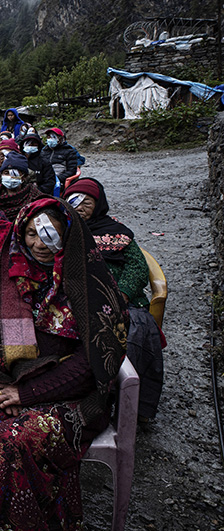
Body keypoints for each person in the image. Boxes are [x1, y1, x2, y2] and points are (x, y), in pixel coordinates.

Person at [0, 198, 129, 531]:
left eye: (50, 235)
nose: (39, 245)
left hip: (69, 393)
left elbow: (95, 359)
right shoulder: (6, 274)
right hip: (2, 379)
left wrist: (27, 393)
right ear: (20, 235)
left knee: (18, 441)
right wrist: (2, 381)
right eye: (31, 235)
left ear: (68, 235)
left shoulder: (90, 283)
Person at [65, 177, 164, 419]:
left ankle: (127, 403)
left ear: (98, 205)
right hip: (76, 301)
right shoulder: (61, 231)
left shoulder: (116, 232)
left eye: (86, 203)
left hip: (121, 301)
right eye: (73, 202)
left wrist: (119, 294)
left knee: (133, 335)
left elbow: (138, 267)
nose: (79, 208)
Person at [0, 151, 44, 224]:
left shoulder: (34, 197)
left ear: (24, 177)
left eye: (14, 174)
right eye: (6, 173)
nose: (10, 177)